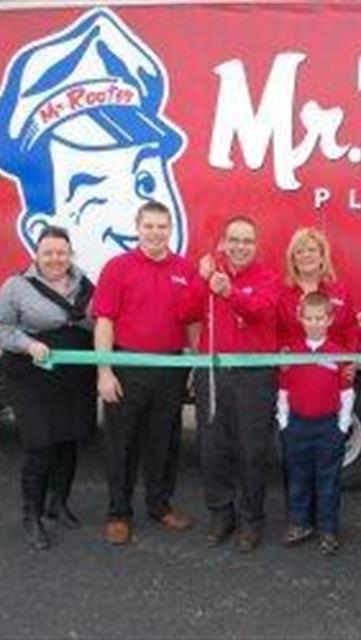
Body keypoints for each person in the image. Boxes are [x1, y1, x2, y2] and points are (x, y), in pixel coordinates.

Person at [0, 9, 188, 282]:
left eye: (145, 183)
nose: (135, 217)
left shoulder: (183, 277)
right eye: (95, 191)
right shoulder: (19, 292)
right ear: (39, 230)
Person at [93, 200, 196, 546]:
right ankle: (118, 513)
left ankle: (159, 505)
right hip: (127, 366)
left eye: (162, 226)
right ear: (137, 228)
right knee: (121, 443)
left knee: (165, 442)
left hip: (170, 369)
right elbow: (104, 320)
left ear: (171, 230)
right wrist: (104, 371)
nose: (155, 232)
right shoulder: (117, 268)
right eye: (149, 226)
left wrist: (194, 365)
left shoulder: (185, 269)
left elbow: (193, 322)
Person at [180, 216, 279, 553]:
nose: (240, 247)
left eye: (247, 241)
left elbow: (259, 312)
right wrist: (201, 279)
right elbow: (187, 312)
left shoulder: (267, 277)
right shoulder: (210, 275)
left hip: (255, 377)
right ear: (223, 242)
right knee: (213, 447)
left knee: (252, 449)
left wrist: (229, 291)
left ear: (256, 245)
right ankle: (221, 513)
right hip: (215, 373)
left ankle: (251, 518)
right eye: (234, 240)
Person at [0, 226, 95, 550]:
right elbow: (3, 328)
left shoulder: (86, 286)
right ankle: (32, 516)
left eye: (61, 252)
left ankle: (59, 504)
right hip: (31, 377)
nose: (55, 258)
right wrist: (28, 345)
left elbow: (101, 322)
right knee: (40, 447)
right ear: (36, 255)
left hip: (74, 377)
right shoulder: (17, 286)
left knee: (68, 443)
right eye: (48, 252)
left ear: (70, 255)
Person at [277, 292, 355, 555]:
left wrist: (342, 427)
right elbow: (283, 392)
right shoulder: (291, 354)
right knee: (298, 478)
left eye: (319, 318)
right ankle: (299, 523)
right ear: (300, 319)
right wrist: (284, 423)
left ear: (330, 319)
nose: (314, 323)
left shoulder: (339, 355)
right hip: (297, 426)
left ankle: (329, 529)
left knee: (328, 479)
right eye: (309, 318)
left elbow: (347, 393)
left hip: (328, 427)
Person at [278, 228, 360, 352]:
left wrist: (350, 359)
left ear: (322, 256)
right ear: (293, 260)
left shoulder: (340, 292)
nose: (306, 255)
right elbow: (275, 332)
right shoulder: (281, 294)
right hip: (294, 367)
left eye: (312, 250)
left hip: (334, 367)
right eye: (299, 252)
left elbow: (351, 330)